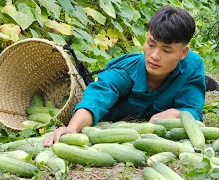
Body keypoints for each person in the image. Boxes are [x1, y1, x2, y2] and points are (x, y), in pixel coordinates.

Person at [44, 5, 206, 146]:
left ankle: (206, 83)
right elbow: (97, 95)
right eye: (151, 44)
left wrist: (178, 113)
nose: (154, 56)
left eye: (166, 50)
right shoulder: (124, 72)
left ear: (183, 52)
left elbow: (193, 110)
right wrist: (72, 128)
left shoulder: (192, 66)